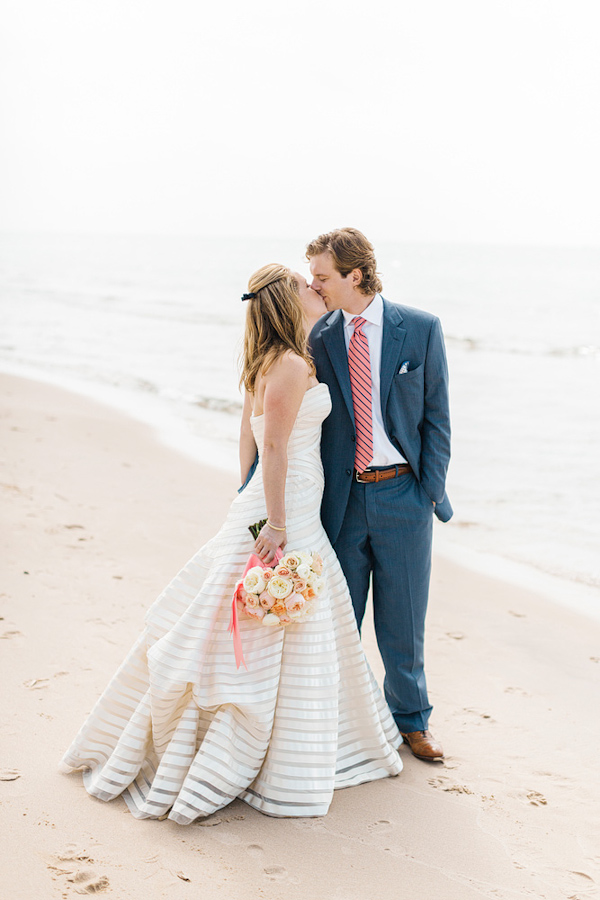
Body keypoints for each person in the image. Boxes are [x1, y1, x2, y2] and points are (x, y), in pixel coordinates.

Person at [60, 263, 402, 823]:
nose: (315, 289)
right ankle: (265, 754)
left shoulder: (267, 358)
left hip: (270, 502)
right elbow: (272, 445)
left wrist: (242, 500)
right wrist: (273, 521)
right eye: (304, 284)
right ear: (287, 303)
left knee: (254, 619)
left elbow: (246, 434)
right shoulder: (291, 364)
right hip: (285, 509)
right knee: (289, 625)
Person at [307, 229, 452, 762]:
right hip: (342, 503)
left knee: (404, 620)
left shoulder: (419, 328)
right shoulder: (318, 337)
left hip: (403, 497)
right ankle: (342, 722)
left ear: (356, 276)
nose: (315, 285)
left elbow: (437, 418)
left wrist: (429, 489)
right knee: (341, 622)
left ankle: (412, 722)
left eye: (323, 276)